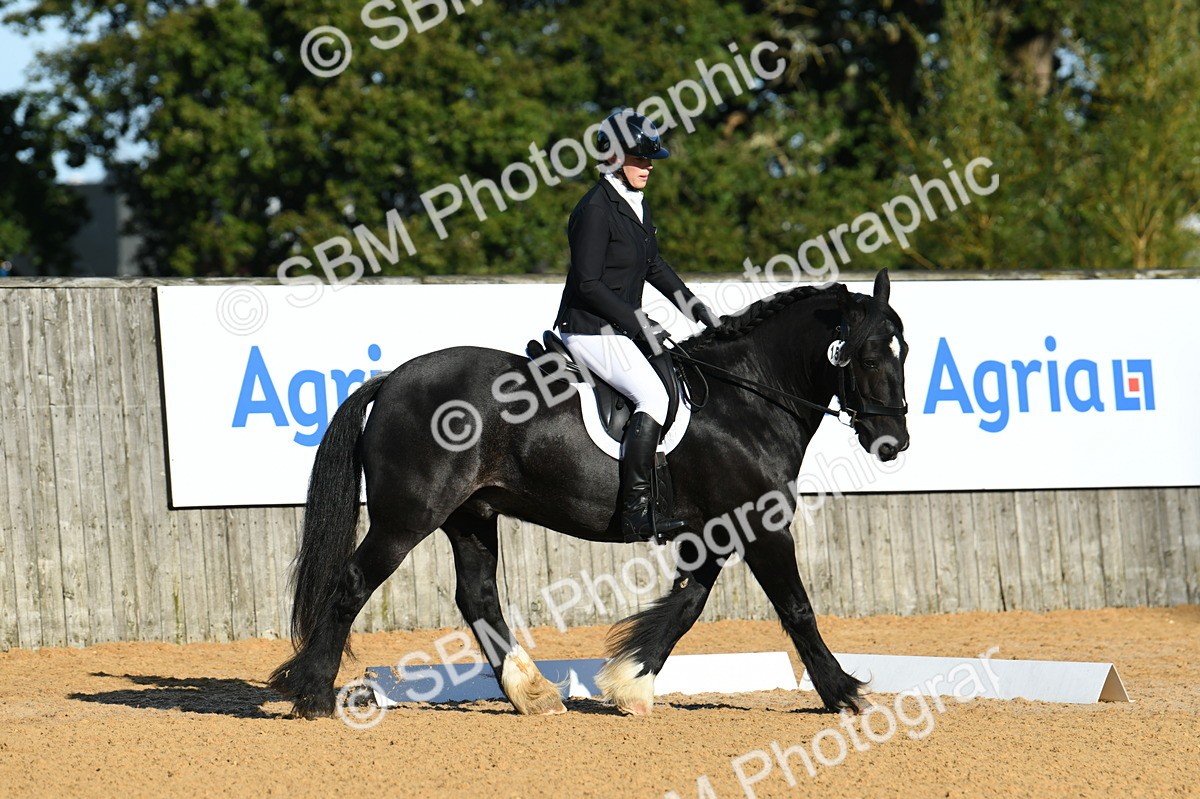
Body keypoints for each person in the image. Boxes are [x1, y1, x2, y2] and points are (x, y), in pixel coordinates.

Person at [553, 109, 720, 542]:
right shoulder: (594, 209)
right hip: (589, 328)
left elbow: (653, 265)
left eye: (650, 160)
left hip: (619, 328)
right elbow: (588, 284)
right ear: (612, 157)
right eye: (639, 159)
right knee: (652, 395)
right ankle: (636, 512)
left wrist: (694, 307)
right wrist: (639, 321)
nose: (648, 167)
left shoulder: (634, 205)